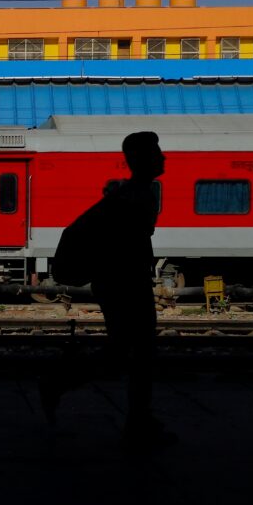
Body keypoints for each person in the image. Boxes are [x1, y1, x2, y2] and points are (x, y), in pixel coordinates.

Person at [43, 131, 174, 450]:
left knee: (127, 353)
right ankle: (133, 419)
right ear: (142, 158)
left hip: (119, 284)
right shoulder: (135, 197)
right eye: (157, 152)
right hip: (125, 285)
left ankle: (135, 419)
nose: (163, 157)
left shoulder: (130, 194)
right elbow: (126, 247)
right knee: (138, 353)